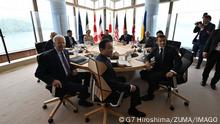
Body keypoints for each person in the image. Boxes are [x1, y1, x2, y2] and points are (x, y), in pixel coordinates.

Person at [35, 35, 93, 107]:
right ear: (54, 44)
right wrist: (52, 80)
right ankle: (82, 100)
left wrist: (73, 69)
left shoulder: (65, 51)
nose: (62, 45)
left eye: (63, 43)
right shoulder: (47, 56)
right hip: (60, 81)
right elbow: (38, 74)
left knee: (88, 74)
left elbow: (67, 63)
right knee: (84, 88)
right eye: (59, 43)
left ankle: (82, 95)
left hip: (68, 75)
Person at [96, 39, 146, 117]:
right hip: (109, 91)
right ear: (101, 49)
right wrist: (129, 87)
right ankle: (132, 110)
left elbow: (108, 65)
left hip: (101, 87)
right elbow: (112, 84)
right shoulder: (103, 63)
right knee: (136, 88)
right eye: (109, 48)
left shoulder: (100, 59)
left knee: (123, 78)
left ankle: (118, 98)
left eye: (112, 47)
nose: (111, 50)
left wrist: (117, 65)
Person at [140, 35, 182, 101]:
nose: (162, 42)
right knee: (142, 73)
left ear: (166, 41)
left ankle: (150, 95)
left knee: (152, 77)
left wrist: (172, 71)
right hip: (157, 68)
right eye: (160, 41)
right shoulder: (155, 48)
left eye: (164, 41)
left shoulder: (172, 49)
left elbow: (178, 62)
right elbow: (148, 56)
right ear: (157, 42)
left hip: (166, 70)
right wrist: (147, 61)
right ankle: (155, 85)